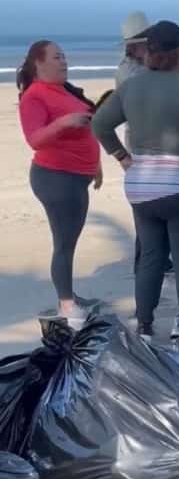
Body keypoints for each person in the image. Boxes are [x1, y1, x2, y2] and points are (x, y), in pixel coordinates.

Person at [91, 20, 179, 340]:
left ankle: (145, 324)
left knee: (151, 256)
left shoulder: (131, 88)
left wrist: (122, 157)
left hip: (142, 187)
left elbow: (99, 123)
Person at [16, 40, 103, 329]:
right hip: (55, 177)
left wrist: (97, 165)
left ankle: (69, 295)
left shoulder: (63, 90)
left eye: (64, 56)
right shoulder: (34, 96)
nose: (63, 61)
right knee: (64, 243)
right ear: (39, 64)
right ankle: (67, 305)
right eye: (56, 57)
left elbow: (87, 129)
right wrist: (65, 122)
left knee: (70, 241)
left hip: (77, 177)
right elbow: (34, 139)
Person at [116, 11, 174, 276]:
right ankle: (147, 258)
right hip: (141, 146)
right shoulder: (130, 73)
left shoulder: (143, 67)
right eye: (145, 43)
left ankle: (158, 256)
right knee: (147, 203)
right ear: (134, 45)